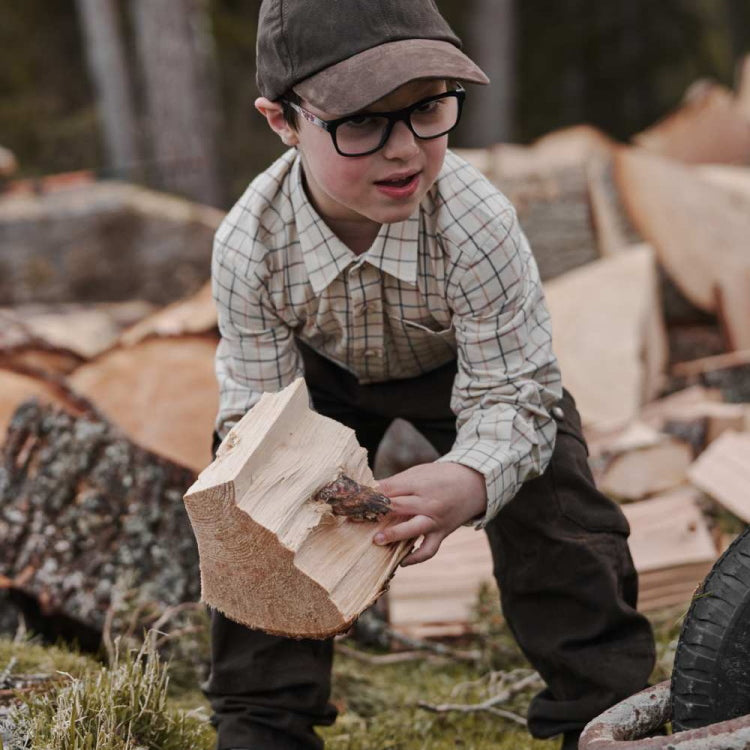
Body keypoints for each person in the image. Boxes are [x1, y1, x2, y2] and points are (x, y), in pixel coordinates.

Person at [205, 1, 656, 748]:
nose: (404, 151)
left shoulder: (474, 220)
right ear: (282, 121)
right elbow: (255, 417)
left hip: (463, 370)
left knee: (558, 507)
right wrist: (286, 483)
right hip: (312, 384)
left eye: (427, 109)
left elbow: (516, 389)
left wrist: (475, 476)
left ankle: (601, 712)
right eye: (361, 122)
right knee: (256, 515)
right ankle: (263, 723)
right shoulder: (249, 247)